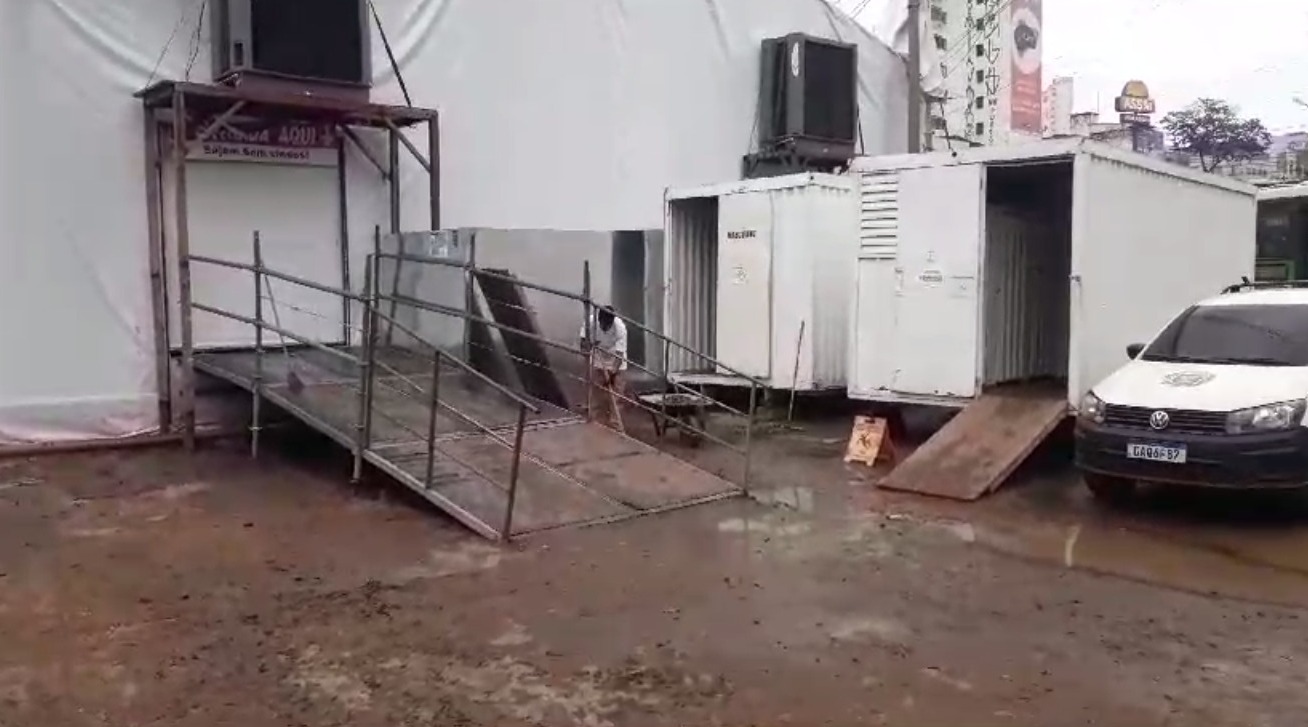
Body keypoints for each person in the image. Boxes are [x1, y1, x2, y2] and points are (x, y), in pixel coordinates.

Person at [578, 305, 628, 429]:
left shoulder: (620, 328)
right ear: (599, 320)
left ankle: (615, 426)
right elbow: (583, 342)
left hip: (615, 360)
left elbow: (620, 354)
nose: (605, 328)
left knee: (615, 397)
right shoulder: (590, 322)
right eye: (603, 325)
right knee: (596, 395)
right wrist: (588, 345)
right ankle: (596, 424)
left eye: (608, 326)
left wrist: (612, 374)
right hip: (597, 358)